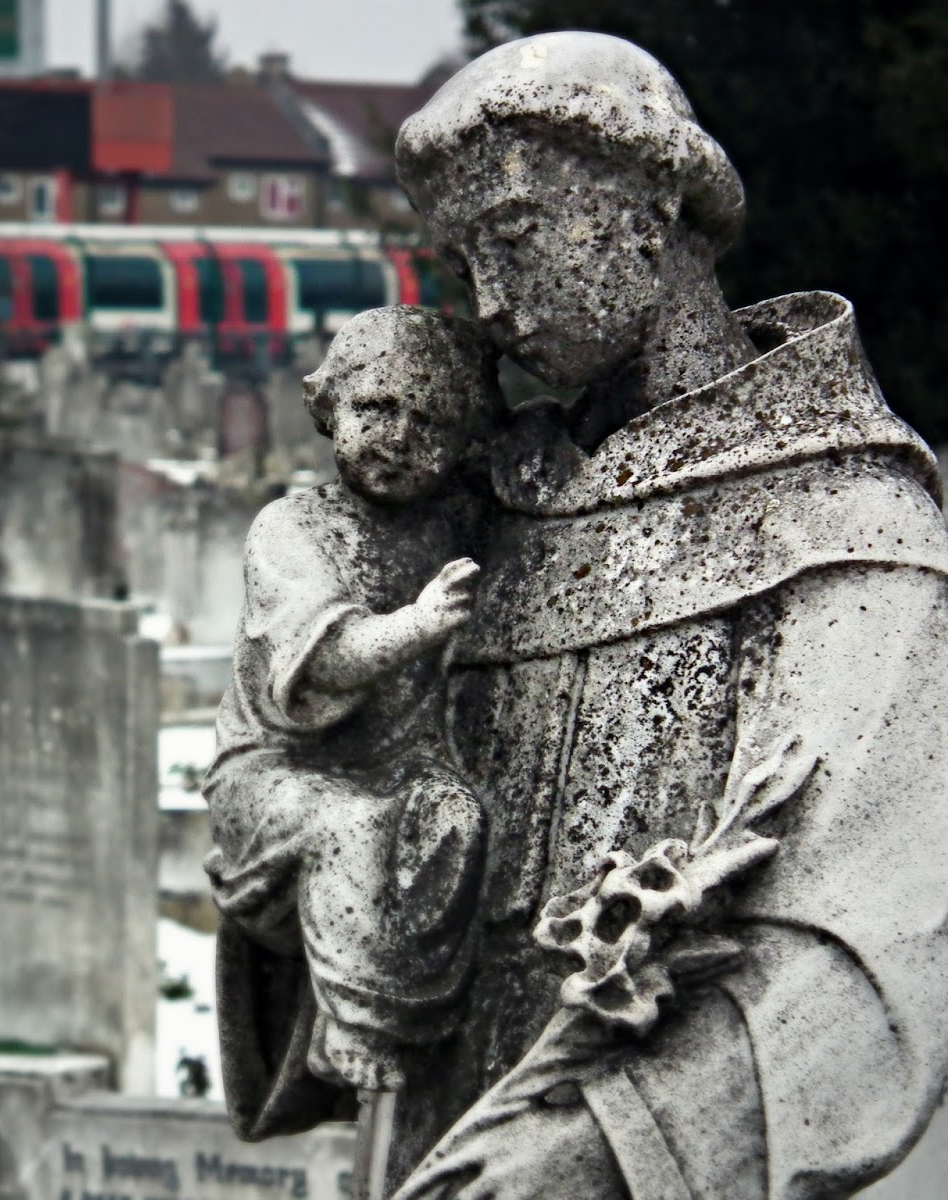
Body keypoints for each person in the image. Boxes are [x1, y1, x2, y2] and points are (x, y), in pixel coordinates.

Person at [382, 32, 948, 1199]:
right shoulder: (497, 515)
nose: (488, 303)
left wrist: (602, 1150)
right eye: (464, 259)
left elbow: (870, 945)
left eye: (516, 237)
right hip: (450, 1136)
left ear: (653, 199)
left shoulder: (840, 521)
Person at [204, 305, 499, 1130]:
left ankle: (410, 1016)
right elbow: (327, 659)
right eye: (377, 409)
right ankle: (356, 1025)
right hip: (278, 781)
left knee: (458, 820)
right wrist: (419, 622)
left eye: (431, 419)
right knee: (347, 825)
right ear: (328, 406)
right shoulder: (294, 528)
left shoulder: (451, 525)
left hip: (405, 769)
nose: (401, 436)